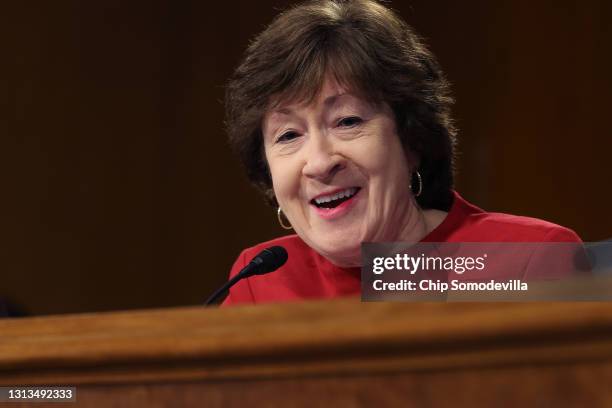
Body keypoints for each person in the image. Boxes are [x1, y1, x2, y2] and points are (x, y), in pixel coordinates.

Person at [221, 0, 583, 305]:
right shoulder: (259, 282)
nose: (319, 163)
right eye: (288, 135)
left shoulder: (532, 260)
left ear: (411, 140)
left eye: (347, 121)